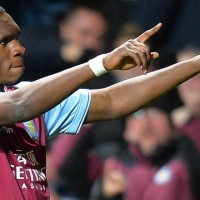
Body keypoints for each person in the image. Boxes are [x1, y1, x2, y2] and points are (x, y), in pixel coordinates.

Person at [1, 5, 200, 200]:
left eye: (17, 39)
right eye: (4, 42)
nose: (19, 48)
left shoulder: (33, 102)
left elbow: (112, 100)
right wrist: (101, 64)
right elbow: (19, 105)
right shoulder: (23, 102)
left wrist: (195, 64)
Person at [90, 103, 200, 200]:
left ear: (171, 124)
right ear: (127, 131)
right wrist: (104, 195)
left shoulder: (188, 158)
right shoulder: (117, 168)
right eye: (138, 114)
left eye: (154, 112)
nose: (146, 122)